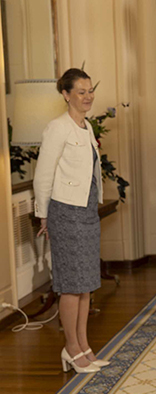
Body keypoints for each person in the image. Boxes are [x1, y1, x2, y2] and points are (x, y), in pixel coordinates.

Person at [33, 68, 111, 374]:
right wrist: (43, 215)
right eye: (81, 91)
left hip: (87, 211)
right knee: (70, 285)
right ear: (66, 95)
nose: (88, 96)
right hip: (65, 213)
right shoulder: (57, 128)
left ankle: (84, 346)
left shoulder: (86, 127)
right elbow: (44, 174)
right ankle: (71, 349)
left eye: (90, 90)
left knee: (86, 283)